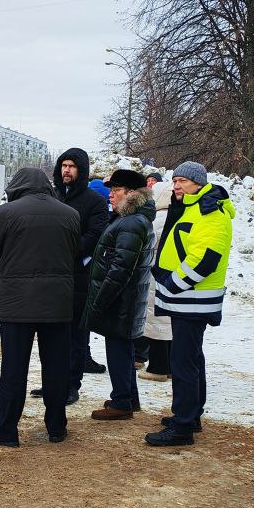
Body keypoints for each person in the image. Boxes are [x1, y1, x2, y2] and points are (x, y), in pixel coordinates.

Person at [0, 168, 80, 447]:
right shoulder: (70, 214)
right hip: (58, 303)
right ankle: (57, 427)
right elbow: (75, 254)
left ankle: (7, 429)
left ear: (17, 187)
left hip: (17, 304)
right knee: (57, 368)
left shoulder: (6, 213)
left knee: (14, 368)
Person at [146, 161, 235, 447]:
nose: (176, 186)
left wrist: (173, 283)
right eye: (174, 181)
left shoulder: (211, 212)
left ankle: (182, 426)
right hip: (188, 300)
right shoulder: (194, 207)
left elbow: (206, 259)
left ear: (198, 182)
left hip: (192, 300)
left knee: (183, 361)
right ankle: (190, 415)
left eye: (182, 181)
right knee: (192, 358)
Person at [35, 148, 108, 404]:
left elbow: (95, 235)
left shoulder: (94, 202)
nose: (67, 170)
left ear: (82, 170)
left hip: (77, 277)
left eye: (72, 166)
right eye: (64, 165)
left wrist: (67, 252)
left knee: (75, 337)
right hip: (49, 278)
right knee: (50, 336)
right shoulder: (51, 196)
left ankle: (71, 385)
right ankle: (52, 383)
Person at [83, 169, 156, 421]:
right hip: (126, 299)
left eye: (116, 191)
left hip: (120, 300)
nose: (111, 196)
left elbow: (121, 268)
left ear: (132, 194)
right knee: (123, 349)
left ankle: (122, 401)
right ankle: (129, 397)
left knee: (118, 350)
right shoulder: (133, 219)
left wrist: (100, 301)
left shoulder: (131, 223)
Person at [137, 181, 176, 383]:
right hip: (172, 276)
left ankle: (158, 367)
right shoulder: (179, 216)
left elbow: (148, 245)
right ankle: (169, 366)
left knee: (156, 322)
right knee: (168, 322)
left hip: (155, 275)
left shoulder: (159, 218)